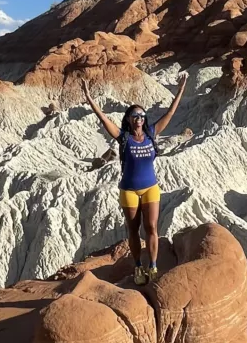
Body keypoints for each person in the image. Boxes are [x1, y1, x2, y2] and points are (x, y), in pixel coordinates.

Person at [81, 73, 189, 285]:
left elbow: (171, 112)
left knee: (151, 228)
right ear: (129, 119)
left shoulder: (151, 132)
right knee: (133, 230)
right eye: (134, 116)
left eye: (141, 115)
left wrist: (181, 90)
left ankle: (153, 266)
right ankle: (138, 266)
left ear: (144, 119)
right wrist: (88, 97)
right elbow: (103, 119)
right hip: (129, 190)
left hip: (151, 188)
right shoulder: (124, 137)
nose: (138, 118)